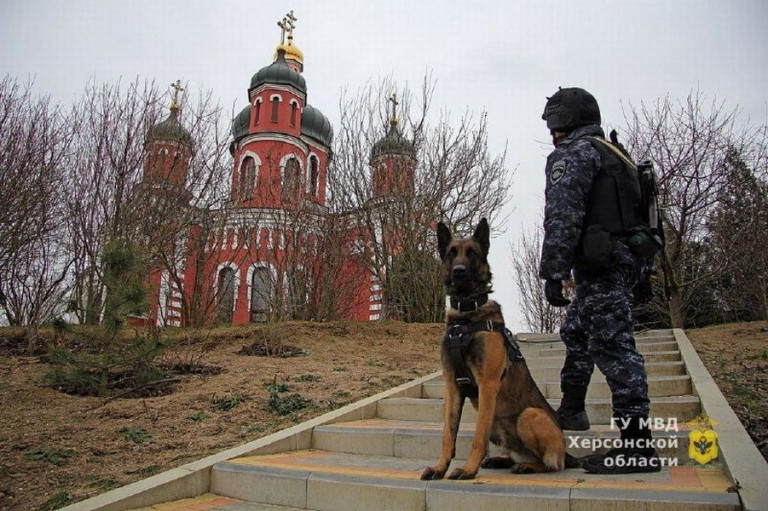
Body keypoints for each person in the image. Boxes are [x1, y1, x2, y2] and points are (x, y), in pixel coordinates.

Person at [538, 87, 659, 474]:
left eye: (552, 120)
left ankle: (638, 447)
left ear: (563, 120)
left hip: (602, 263)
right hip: (623, 260)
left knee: (612, 344)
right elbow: (646, 216)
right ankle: (573, 410)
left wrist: (553, 271)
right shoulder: (615, 154)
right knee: (577, 330)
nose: (550, 129)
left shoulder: (574, 153)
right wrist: (643, 274)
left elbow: (563, 215)